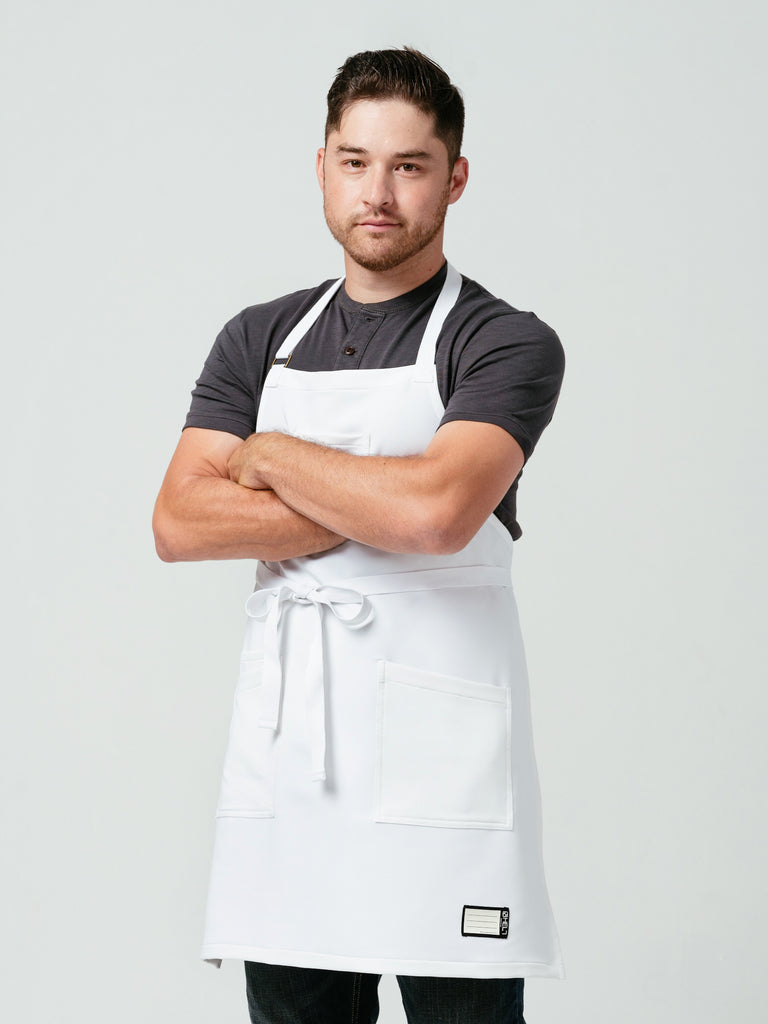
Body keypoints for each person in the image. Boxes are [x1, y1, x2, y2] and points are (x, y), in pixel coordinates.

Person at [154, 47, 564, 1024]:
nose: (377, 192)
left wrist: (267, 454)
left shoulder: (503, 340)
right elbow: (177, 522)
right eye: (355, 161)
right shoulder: (259, 337)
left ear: (454, 178)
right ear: (323, 166)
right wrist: (377, 493)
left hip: (443, 773)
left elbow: (436, 515)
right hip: (295, 764)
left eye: (410, 165)